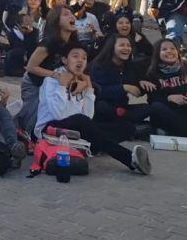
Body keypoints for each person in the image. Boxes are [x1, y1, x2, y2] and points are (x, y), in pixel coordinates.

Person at [35, 43, 152, 175]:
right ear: (64, 60)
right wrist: (62, 87)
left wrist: (89, 88)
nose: (80, 60)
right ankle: (129, 158)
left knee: (126, 127)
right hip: (51, 128)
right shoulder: (51, 82)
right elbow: (58, 115)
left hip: (78, 127)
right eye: (75, 56)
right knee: (81, 120)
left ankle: (95, 145)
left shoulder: (80, 82)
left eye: (84, 58)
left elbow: (89, 115)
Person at [19, 5, 80, 136]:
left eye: (72, 14)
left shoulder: (73, 44)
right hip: (34, 83)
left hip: (52, 85)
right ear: (56, 21)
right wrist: (55, 75)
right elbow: (31, 66)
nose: (71, 16)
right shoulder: (49, 42)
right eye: (66, 14)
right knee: (32, 119)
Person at [89, 35, 148, 141]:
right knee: (102, 107)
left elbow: (137, 89)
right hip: (103, 106)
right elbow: (98, 91)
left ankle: (128, 123)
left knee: (148, 108)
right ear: (112, 47)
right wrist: (123, 88)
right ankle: (132, 127)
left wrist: (143, 83)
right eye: (122, 45)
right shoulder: (99, 66)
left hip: (122, 108)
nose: (126, 48)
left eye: (128, 45)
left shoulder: (129, 66)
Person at [141, 39, 187, 140]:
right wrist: (169, 98)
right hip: (172, 114)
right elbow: (152, 100)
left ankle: (184, 133)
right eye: (164, 49)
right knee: (156, 107)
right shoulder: (152, 74)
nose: (169, 51)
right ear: (157, 54)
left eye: (173, 48)